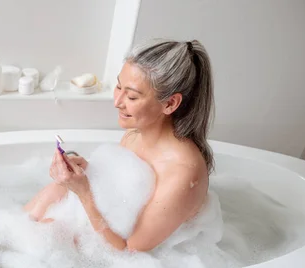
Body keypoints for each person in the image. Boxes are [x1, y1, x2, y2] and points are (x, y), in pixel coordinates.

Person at [24, 39, 215, 252]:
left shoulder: (183, 172)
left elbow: (127, 252)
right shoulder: (135, 134)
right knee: (40, 214)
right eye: (118, 86)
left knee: (48, 233)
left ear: (170, 104)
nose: (117, 101)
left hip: (139, 261)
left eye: (132, 96)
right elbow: (121, 193)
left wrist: (84, 192)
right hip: (107, 232)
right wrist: (84, 172)